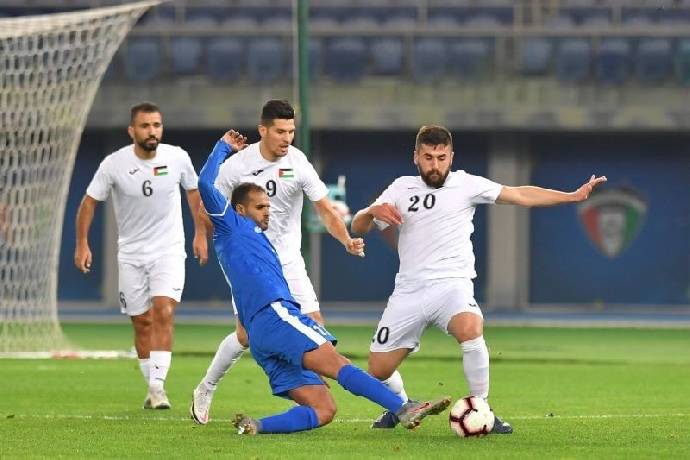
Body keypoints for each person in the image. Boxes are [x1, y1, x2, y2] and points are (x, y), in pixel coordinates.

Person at [351, 125, 607, 432]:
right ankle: (402, 406)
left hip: (452, 285)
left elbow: (519, 194)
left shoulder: (467, 184)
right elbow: (359, 226)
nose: (435, 165)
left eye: (442, 158)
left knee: (470, 328)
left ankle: (483, 409)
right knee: (378, 370)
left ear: (451, 157)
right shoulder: (400, 188)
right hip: (409, 290)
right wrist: (371, 211)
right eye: (428, 157)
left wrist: (571, 196)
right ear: (415, 157)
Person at [197, 130, 450, 435]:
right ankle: (403, 407)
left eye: (268, 206)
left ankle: (256, 426)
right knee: (338, 364)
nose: (268, 212)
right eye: (260, 207)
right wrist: (222, 147)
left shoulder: (258, 242)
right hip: (276, 317)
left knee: (324, 409)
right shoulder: (230, 225)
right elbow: (204, 184)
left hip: (261, 336)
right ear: (239, 210)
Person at [191, 100, 362, 424]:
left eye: (291, 131)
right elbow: (207, 204)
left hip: (288, 258)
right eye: (281, 131)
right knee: (245, 336)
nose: (287, 138)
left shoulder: (298, 162)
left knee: (316, 329)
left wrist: (346, 240)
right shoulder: (237, 165)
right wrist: (204, 235)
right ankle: (206, 387)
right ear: (263, 130)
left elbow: (325, 209)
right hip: (251, 262)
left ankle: (311, 400)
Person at [74, 102, 208, 409]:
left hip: (169, 250)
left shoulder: (177, 157)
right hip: (131, 254)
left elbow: (194, 193)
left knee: (163, 311)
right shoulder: (113, 164)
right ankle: (152, 386)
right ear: (132, 131)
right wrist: (82, 243)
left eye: (157, 125)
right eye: (145, 126)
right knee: (142, 322)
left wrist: (200, 233)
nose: (152, 131)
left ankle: (158, 388)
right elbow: (89, 202)